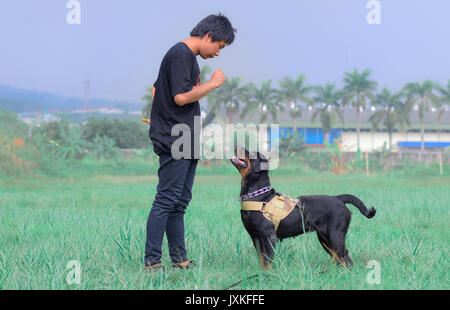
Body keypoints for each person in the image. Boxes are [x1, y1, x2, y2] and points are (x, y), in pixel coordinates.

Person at [144, 13, 236, 271]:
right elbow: (181, 98)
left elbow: (156, 89)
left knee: (179, 202)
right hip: (177, 138)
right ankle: (152, 263)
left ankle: (180, 261)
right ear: (208, 36)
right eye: (219, 47)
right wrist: (213, 83)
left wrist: (159, 115)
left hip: (183, 136)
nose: (218, 54)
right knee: (166, 199)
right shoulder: (181, 54)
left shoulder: (184, 57)